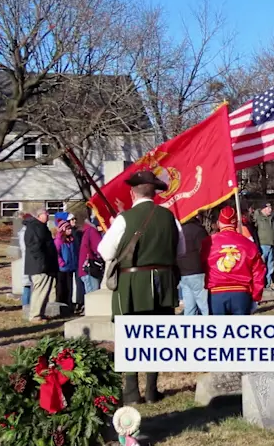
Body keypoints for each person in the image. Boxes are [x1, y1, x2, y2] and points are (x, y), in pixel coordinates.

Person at [97, 170, 185, 404]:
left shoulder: (125, 219)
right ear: (155, 193)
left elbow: (105, 252)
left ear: (132, 193)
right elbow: (181, 251)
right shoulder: (170, 218)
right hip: (163, 285)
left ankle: (132, 390)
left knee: (130, 338)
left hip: (132, 285)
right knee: (155, 338)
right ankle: (152, 390)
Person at [201, 206, 266, 315]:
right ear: (236, 223)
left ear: (219, 223)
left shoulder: (208, 243)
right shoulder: (248, 244)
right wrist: (256, 296)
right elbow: (259, 271)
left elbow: (202, 265)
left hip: (217, 293)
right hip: (241, 293)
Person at [24, 209, 57, 323]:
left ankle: (40, 314)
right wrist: (43, 262)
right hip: (39, 266)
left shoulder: (41, 227)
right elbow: (34, 247)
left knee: (45, 291)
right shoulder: (35, 227)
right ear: (39, 215)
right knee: (40, 290)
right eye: (45, 213)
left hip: (46, 265)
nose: (48, 215)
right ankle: (35, 316)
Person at [178, 215, 210, 315]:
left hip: (183, 272)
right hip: (198, 271)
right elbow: (206, 251)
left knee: (189, 309)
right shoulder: (199, 230)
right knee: (206, 307)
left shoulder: (178, 231)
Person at [54, 220, 79, 312]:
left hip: (70, 267)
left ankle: (68, 305)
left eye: (70, 229)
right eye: (68, 229)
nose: (70, 231)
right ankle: (60, 306)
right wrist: (61, 262)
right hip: (62, 268)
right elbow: (56, 253)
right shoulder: (58, 241)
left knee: (69, 288)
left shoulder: (71, 240)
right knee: (61, 288)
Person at [252, 202, 274, 290]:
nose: (270, 210)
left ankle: (269, 283)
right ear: (263, 209)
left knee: (271, 265)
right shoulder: (258, 218)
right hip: (262, 245)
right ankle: (261, 283)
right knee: (261, 266)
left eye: (271, 208)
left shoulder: (272, 218)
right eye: (268, 208)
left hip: (271, 244)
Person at [77, 216, 103, 294]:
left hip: (85, 269)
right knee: (93, 295)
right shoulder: (93, 232)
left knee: (90, 294)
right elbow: (100, 249)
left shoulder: (88, 231)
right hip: (90, 269)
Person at [18, 214, 32, 310]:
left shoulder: (27, 231)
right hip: (28, 260)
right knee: (27, 285)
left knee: (29, 285)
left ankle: (28, 305)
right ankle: (25, 306)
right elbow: (25, 248)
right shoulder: (24, 232)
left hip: (30, 260)